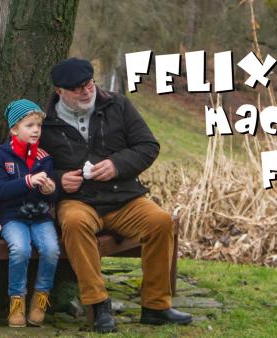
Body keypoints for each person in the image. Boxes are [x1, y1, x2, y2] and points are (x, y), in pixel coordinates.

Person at [40, 58, 192, 333]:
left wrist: (116, 165)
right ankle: (99, 306)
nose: (87, 92)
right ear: (60, 91)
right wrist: (60, 180)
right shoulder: (44, 123)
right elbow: (28, 167)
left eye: (89, 84)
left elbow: (148, 146)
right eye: (77, 89)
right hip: (78, 201)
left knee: (161, 221)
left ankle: (156, 306)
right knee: (74, 224)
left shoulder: (118, 105)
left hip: (123, 197)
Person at [0, 99, 60, 327]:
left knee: (51, 250)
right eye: (29, 125)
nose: (35, 130)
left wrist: (50, 191)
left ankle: (40, 299)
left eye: (38, 126)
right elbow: (0, 190)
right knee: (20, 250)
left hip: (40, 217)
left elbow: (50, 197)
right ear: (14, 129)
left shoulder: (44, 158)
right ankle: (16, 302)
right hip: (12, 217)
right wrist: (28, 181)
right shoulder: (3, 156)